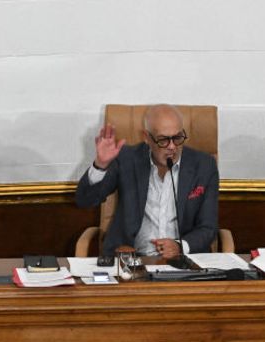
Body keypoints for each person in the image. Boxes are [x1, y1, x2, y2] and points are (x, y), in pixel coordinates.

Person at [76, 104, 219, 258]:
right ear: (146, 138)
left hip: (182, 262)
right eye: (163, 140)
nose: (172, 147)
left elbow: (208, 228)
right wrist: (101, 165)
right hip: (131, 263)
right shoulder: (127, 160)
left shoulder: (204, 166)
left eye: (177, 138)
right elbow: (85, 200)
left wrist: (180, 246)